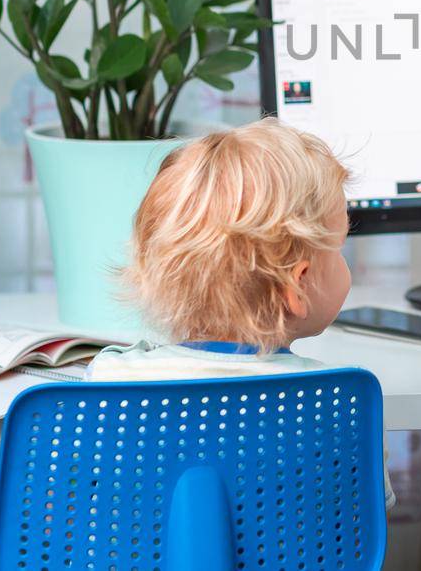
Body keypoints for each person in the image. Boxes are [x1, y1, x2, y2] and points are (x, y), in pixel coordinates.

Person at [87, 117, 395, 506]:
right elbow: (360, 535)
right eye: (339, 249)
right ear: (297, 285)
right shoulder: (341, 402)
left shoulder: (107, 382)